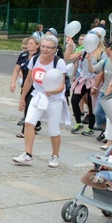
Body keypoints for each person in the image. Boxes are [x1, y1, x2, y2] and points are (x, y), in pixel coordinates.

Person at [13, 35, 70, 168]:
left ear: (55, 49)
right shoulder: (34, 59)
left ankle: (55, 156)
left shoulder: (58, 62)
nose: (45, 49)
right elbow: (28, 80)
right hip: (37, 96)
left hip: (54, 99)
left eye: (48, 47)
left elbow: (62, 85)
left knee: (53, 130)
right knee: (28, 122)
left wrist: (53, 91)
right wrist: (22, 99)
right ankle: (28, 154)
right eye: (43, 46)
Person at [65, 32, 102, 136]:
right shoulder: (84, 51)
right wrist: (70, 45)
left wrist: (96, 85)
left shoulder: (101, 54)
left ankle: (91, 127)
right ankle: (78, 122)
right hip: (82, 80)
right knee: (74, 100)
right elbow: (68, 57)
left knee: (91, 104)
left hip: (94, 80)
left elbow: (101, 71)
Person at [11, 37, 42, 137]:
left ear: (37, 45)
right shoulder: (23, 55)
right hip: (25, 84)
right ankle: (36, 124)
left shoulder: (39, 57)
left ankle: (25, 131)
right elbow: (16, 69)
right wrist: (13, 83)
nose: (29, 45)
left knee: (28, 106)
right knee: (26, 105)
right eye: (28, 43)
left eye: (31, 43)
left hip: (36, 87)